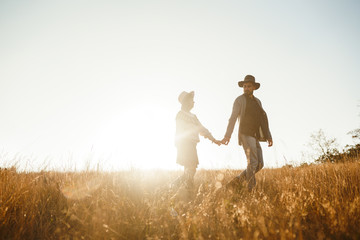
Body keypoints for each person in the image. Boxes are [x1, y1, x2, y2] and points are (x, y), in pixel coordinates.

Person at [221, 75, 273, 192]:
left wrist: (268, 136)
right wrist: (227, 135)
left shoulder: (257, 102)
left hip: (255, 136)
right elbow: (233, 117)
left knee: (259, 164)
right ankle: (251, 191)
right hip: (245, 134)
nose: (246, 88)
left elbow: (263, 120)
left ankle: (236, 182)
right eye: (244, 86)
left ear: (254, 87)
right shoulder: (239, 100)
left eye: (248, 86)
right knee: (253, 162)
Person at [172, 91, 221, 191]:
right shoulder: (181, 115)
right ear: (186, 102)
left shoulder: (193, 117)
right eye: (191, 100)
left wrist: (213, 139)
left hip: (192, 144)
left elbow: (202, 129)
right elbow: (179, 130)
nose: (193, 102)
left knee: (189, 169)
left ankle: (184, 189)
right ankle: (177, 186)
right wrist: (178, 143)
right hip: (185, 144)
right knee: (191, 168)